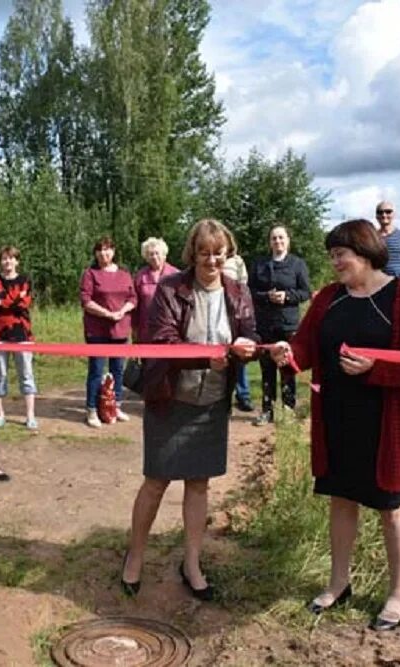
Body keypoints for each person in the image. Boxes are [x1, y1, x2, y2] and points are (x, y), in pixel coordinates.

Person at [270, 219, 400, 631]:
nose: (335, 263)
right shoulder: (329, 297)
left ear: (363, 251)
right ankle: (338, 584)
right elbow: (307, 345)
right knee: (341, 500)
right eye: (331, 256)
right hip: (337, 420)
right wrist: (287, 354)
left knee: (391, 508)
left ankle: (397, 594)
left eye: (340, 254)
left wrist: (376, 368)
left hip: (383, 425)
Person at [120, 219, 258, 601]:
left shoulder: (239, 292)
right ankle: (135, 557)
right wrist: (205, 361)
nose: (212, 260)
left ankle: (192, 563)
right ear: (192, 254)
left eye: (218, 252)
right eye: (204, 252)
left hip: (212, 402)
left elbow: (251, 331)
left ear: (228, 253)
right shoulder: (170, 289)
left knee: (199, 484)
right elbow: (163, 342)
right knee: (157, 480)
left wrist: (248, 344)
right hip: (170, 398)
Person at [248, 224, 312, 425]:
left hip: (288, 325)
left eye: (281, 238)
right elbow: (250, 292)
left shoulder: (297, 264)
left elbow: (305, 292)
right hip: (265, 325)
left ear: (288, 241)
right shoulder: (259, 265)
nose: (278, 242)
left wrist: (287, 296)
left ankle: (288, 410)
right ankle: (267, 410)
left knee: (287, 368)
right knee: (267, 369)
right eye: (274, 238)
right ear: (270, 242)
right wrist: (267, 296)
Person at [80, 236, 137, 428]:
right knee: (96, 370)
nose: (104, 253)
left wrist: (122, 311)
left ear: (113, 251)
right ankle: (92, 409)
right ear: (95, 253)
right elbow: (86, 301)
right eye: (100, 250)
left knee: (118, 369)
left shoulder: (124, 274)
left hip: (120, 329)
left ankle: (116, 405)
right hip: (97, 330)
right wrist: (107, 313)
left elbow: (133, 298)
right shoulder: (90, 274)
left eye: (107, 249)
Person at [0, 245, 38, 434]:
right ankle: (0, 414)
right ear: (0, 261)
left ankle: (30, 416)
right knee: (0, 375)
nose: (8, 262)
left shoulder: (25, 280)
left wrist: (0, 301)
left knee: (27, 375)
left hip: (22, 334)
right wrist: (12, 300)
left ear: (17, 261)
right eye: (4, 258)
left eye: (11, 258)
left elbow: (24, 304)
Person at [222, 253, 254, 412]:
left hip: (236, 316)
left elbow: (243, 281)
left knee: (239, 360)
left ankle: (243, 395)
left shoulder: (238, 260)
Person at [132, 237, 178, 342]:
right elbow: (135, 305)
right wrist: (134, 328)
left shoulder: (176, 274)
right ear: (146, 257)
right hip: (146, 328)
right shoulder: (140, 276)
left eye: (157, 253)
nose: (154, 257)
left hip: (170, 327)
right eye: (150, 254)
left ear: (164, 255)